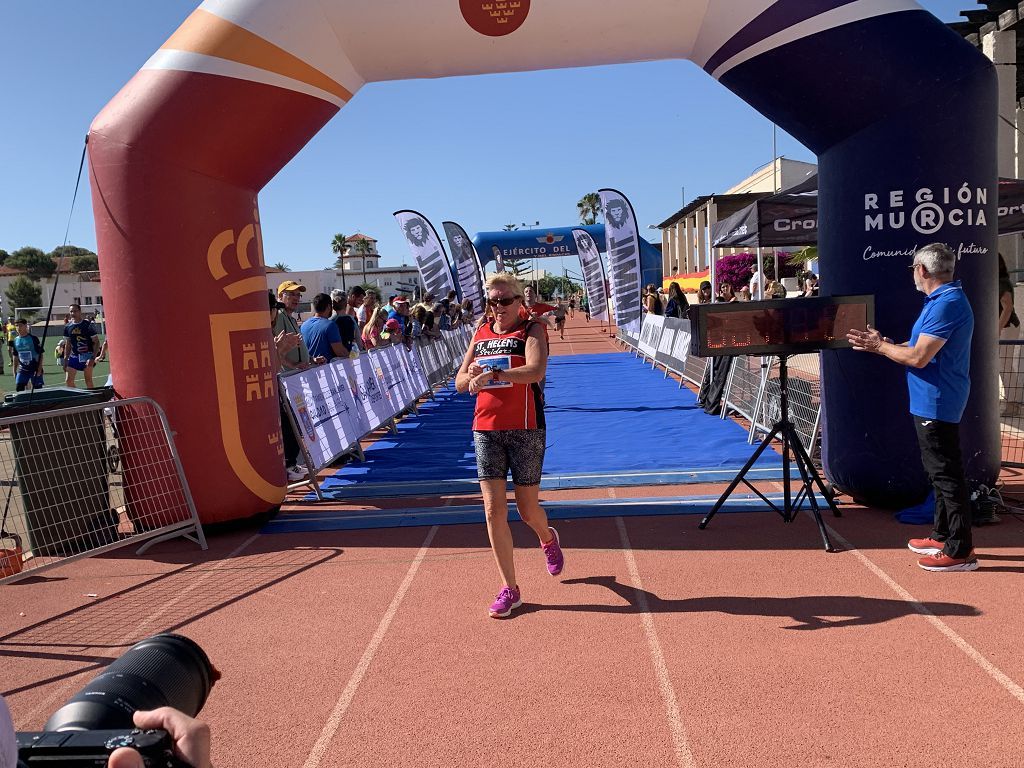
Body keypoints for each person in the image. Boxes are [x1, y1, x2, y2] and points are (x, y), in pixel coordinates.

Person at [846, 242, 977, 572]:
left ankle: (961, 551)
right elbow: (917, 346)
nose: (913, 276)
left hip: (938, 400)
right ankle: (942, 535)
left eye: (913, 270)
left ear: (922, 270)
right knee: (938, 473)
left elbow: (919, 357)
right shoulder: (940, 300)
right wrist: (884, 346)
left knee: (946, 475)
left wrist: (879, 348)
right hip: (931, 400)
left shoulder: (947, 303)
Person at [456, 272, 564, 619]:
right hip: (486, 429)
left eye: (505, 300)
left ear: (520, 301)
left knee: (528, 511)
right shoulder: (482, 332)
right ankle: (510, 589)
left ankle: (547, 538)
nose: (498, 307)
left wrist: (496, 375)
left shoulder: (532, 330)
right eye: (492, 301)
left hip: (526, 428)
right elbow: (458, 382)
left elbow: (535, 371)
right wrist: (472, 376)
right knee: (492, 511)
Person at [272, 280, 312, 482]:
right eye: (291, 294)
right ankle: (289, 465)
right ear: (281, 297)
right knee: (290, 422)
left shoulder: (290, 317)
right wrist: (293, 366)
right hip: (287, 379)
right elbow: (276, 347)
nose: (296, 298)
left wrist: (309, 360)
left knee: (294, 420)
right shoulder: (279, 316)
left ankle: (293, 464)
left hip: (294, 378)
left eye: (298, 295)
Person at [998, 254, 1021, 417]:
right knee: (1003, 365)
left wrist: (998, 328)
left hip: (1007, 327)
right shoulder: (998, 282)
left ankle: (1014, 403)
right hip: (1005, 327)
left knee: (1004, 365)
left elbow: (1007, 307)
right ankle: (1014, 401)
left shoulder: (1002, 283)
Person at [301, 293, 347, 362]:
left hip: (309, 369)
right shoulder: (330, 325)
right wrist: (353, 354)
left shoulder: (304, 325)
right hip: (325, 368)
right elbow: (341, 352)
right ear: (328, 307)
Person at [63, 303, 99, 388]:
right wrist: (65, 359)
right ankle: (77, 398)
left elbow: (96, 342)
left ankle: (93, 399)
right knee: (68, 381)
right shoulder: (68, 327)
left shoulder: (87, 325)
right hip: (74, 357)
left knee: (88, 380)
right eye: (71, 311)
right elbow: (68, 344)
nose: (73, 313)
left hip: (87, 356)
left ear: (80, 311)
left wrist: (93, 358)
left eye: (75, 311)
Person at [12, 319, 44, 392]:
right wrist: (14, 371)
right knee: (19, 388)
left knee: (37, 390)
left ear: (26, 326)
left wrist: (39, 369)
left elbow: (41, 354)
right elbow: (15, 356)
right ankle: (23, 403)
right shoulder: (15, 340)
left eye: (20, 325)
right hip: (22, 369)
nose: (18, 328)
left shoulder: (33, 339)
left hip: (35, 368)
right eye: (16, 326)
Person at [330, 289, 359, 355]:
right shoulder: (351, 319)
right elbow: (357, 338)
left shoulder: (330, 321)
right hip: (350, 352)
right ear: (346, 304)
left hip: (336, 355)